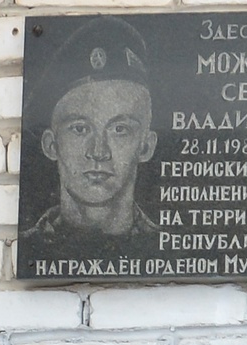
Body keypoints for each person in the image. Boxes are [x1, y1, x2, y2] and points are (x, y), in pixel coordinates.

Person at [21, 20, 162, 260]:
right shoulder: (25, 248)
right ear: (51, 145)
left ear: (146, 146)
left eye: (120, 129)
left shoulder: (168, 249)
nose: (98, 151)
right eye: (79, 129)